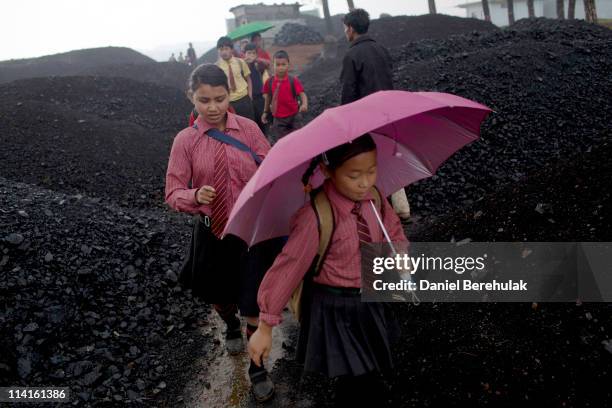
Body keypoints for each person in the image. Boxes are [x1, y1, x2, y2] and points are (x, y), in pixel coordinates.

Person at [248, 134, 406, 406]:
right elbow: (288, 267)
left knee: (368, 367)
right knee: (357, 378)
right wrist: (265, 325)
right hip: (337, 308)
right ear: (327, 170)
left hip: (371, 297)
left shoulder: (376, 199)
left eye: (371, 171)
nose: (365, 182)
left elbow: (392, 230)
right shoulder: (316, 216)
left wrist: (400, 254)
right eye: (354, 175)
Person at [165, 64, 278, 402]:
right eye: (204, 100)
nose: (212, 107)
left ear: (230, 93)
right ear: (191, 97)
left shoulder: (249, 129)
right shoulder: (185, 141)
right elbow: (172, 191)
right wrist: (194, 196)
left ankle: (257, 368)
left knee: (254, 302)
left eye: (219, 98)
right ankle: (229, 322)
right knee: (220, 297)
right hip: (212, 232)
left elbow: (270, 165)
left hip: (250, 231)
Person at [340, 8, 411, 220]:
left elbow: (349, 91)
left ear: (351, 29)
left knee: (368, 163)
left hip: (366, 118)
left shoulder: (352, 54)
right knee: (390, 157)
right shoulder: (381, 49)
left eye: (345, 28)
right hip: (389, 113)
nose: (345, 32)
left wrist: (346, 122)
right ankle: (402, 208)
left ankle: (377, 212)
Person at [261, 50, 308, 144]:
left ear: (288, 65)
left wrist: (304, 104)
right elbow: (268, 99)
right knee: (282, 141)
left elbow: (302, 94)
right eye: (277, 65)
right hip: (278, 119)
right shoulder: (269, 82)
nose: (280, 68)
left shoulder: (293, 81)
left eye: (283, 64)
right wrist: (265, 112)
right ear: (272, 65)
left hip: (294, 115)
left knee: (299, 137)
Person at [216, 36, 255, 121]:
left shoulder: (240, 62)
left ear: (232, 49)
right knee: (235, 126)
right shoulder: (217, 67)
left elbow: (248, 79)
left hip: (244, 99)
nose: (224, 52)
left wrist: (250, 95)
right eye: (221, 49)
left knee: (250, 123)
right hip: (229, 102)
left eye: (226, 49)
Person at [244, 43, 269, 133]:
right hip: (247, 99)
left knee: (262, 120)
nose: (251, 56)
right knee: (252, 122)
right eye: (249, 53)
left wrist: (257, 60)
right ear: (244, 54)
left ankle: (265, 138)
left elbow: (267, 64)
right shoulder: (241, 66)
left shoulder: (258, 65)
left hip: (259, 98)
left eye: (253, 53)